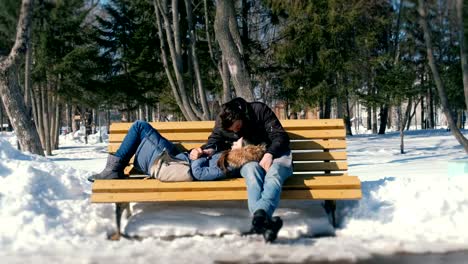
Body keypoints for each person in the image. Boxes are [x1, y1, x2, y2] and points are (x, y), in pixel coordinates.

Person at [191, 97, 293, 242]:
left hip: (277, 153)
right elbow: (214, 142)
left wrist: (270, 154)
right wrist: (204, 150)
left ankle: (260, 218)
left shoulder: (259, 110)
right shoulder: (223, 121)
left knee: (274, 174)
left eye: (237, 128)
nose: (235, 132)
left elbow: (280, 136)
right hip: (251, 157)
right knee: (251, 173)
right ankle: (264, 222)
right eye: (231, 131)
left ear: (241, 117)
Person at [88, 120, 228, 182]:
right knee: (140, 127)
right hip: (179, 158)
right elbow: (214, 150)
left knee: (139, 126)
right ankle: (113, 169)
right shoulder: (231, 153)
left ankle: (113, 169)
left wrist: (198, 157)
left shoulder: (232, 161)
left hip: (174, 162)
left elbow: (199, 173)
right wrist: (203, 150)